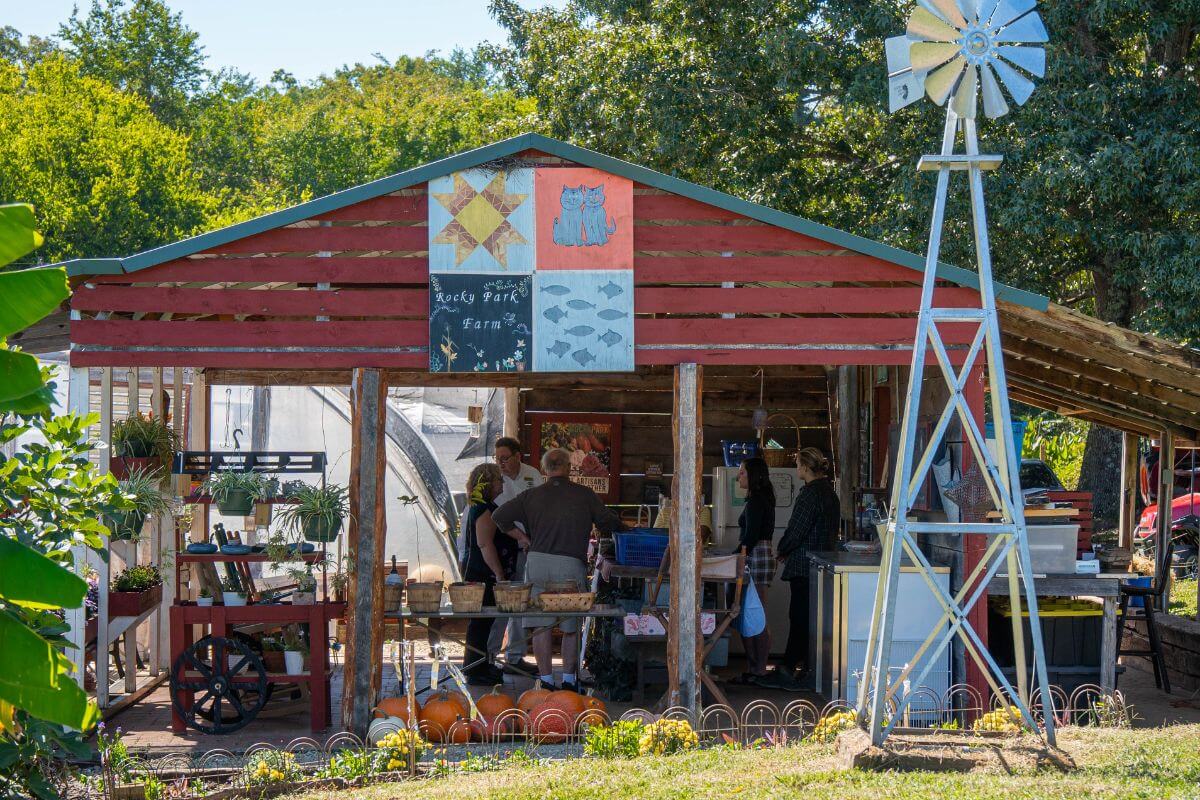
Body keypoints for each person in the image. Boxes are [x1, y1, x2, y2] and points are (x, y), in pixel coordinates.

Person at [492, 447, 622, 692]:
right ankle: (570, 682)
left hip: (537, 563)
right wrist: (626, 528)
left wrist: (523, 538)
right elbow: (607, 521)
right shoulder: (584, 494)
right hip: (569, 564)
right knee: (570, 625)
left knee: (542, 625)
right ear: (569, 468)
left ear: (544, 469)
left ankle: (547, 681)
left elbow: (499, 516)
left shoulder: (531, 495)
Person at [766, 447, 839, 690]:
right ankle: (807, 667)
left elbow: (797, 530)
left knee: (799, 617)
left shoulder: (810, 494)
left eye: (798, 465)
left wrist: (782, 549)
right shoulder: (829, 492)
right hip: (822, 562)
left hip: (804, 564)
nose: (796, 469)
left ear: (806, 468)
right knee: (812, 619)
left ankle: (789, 667)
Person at [460, 462, 530, 684]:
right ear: (488, 483)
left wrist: (522, 538)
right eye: (499, 479)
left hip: (484, 573)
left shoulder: (486, 507)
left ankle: (482, 666)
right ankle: (475, 671)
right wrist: (499, 573)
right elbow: (484, 545)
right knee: (480, 624)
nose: (502, 483)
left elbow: (505, 528)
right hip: (484, 574)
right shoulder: (483, 510)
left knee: (485, 623)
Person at [489, 436, 544, 672]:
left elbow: (543, 508)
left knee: (521, 600)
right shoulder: (494, 480)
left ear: (518, 456)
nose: (501, 463)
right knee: (500, 603)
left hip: (527, 545)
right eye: (497, 459)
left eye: (505, 458)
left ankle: (514, 656)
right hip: (501, 545)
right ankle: (488, 657)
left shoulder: (533, 476)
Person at [731, 457, 776, 685]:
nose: (738, 476)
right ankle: (755, 667)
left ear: (753, 476)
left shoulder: (756, 501)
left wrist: (734, 555)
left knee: (755, 614)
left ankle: (758, 669)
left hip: (755, 557)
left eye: (742, 473)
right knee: (750, 613)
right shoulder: (758, 499)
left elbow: (751, 536)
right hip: (758, 556)